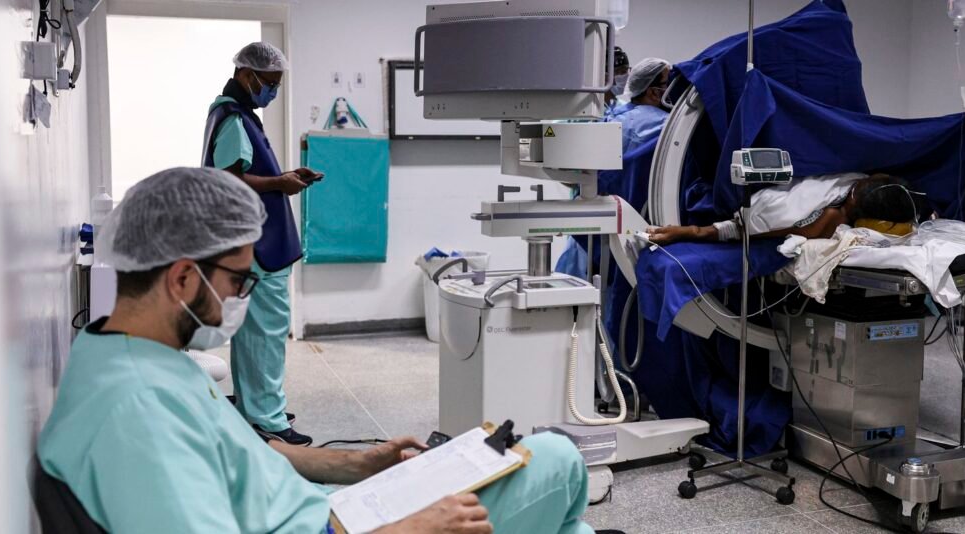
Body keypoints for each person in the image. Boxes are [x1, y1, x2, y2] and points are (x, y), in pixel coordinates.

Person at [38, 167, 608, 534]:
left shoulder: (135, 351)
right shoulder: (135, 412)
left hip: (326, 512)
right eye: (238, 280)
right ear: (184, 278)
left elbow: (240, 453)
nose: (241, 296)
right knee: (556, 461)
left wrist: (358, 465)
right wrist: (406, 529)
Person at [202, 42, 315, 445]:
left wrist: (284, 176)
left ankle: (254, 408)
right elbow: (228, 180)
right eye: (269, 83)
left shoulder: (232, 113)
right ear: (247, 75)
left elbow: (244, 171)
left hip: (252, 242)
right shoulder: (234, 118)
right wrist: (280, 184)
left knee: (252, 335)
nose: (273, 91)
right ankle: (268, 419)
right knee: (266, 336)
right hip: (259, 246)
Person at [649, 174, 925, 245]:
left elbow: (742, 228)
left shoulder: (831, 214)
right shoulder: (830, 211)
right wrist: (693, 232)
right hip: (744, 201)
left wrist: (693, 232)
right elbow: (747, 225)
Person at [606, 57, 671, 153]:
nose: (671, 88)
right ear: (653, 93)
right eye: (668, 83)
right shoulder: (664, 122)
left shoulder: (614, 117)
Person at [604, 46, 631, 117]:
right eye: (621, 72)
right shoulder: (590, 109)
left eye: (625, 71)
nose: (625, 76)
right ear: (605, 76)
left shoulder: (624, 108)